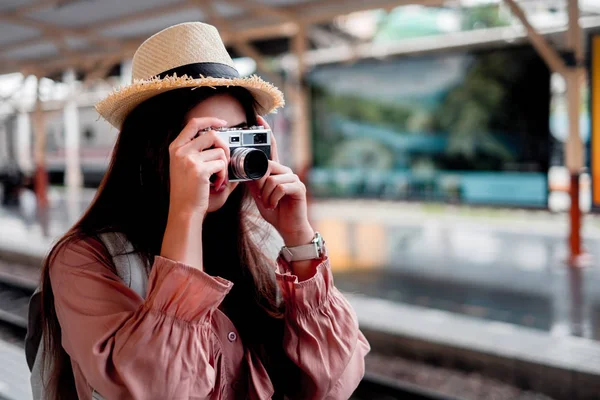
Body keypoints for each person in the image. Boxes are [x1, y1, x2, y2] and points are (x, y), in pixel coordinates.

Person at [37, 22, 370, 399]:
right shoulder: (83, 260)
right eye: (205, 140)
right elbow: (163, 390)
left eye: (238, 137)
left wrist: (299, 237)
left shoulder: (256, 244)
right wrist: (185, 215)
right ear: (151, 148)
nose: (225, 159)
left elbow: (336, 382)